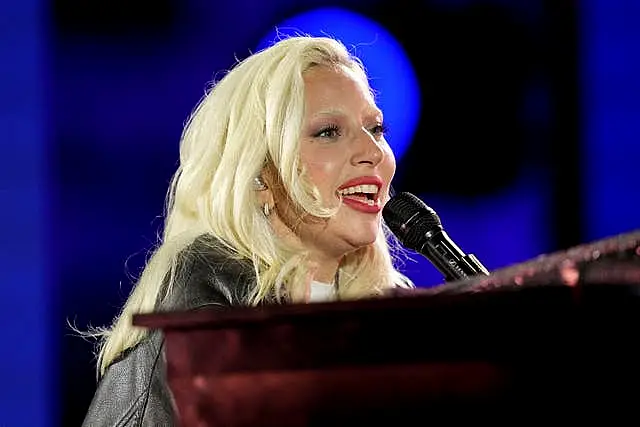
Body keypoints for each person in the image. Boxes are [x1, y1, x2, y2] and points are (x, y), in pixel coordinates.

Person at [81, 34, 413, 426]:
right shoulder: (208, 294)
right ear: (261, 176)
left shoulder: (379, 315)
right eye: (328, 132)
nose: (374, 153)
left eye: (375, 128)